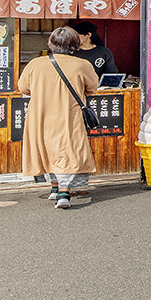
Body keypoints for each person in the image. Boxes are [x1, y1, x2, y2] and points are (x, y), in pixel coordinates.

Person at [19, 26, 98, 209]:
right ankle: (63, 192)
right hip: (68, 114)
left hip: (40, 116)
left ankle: (54, 187)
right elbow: (92, 87)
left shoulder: (35, 64)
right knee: (67, 150)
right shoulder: (82, 65)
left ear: (51, 43)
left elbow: (23, 88)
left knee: (47, 150)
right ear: (75, 44)